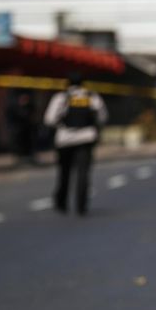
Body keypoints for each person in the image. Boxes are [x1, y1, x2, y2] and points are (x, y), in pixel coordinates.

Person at [43, 72, 108, 215]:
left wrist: (62, 126)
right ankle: (81, 205)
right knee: (83, 173)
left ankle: (62, 202)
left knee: (64, 172)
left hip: (65, 139)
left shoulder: (62, 97)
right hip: (86, 138)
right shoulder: (91, 97)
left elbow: (49, 119)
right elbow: (102, 117)